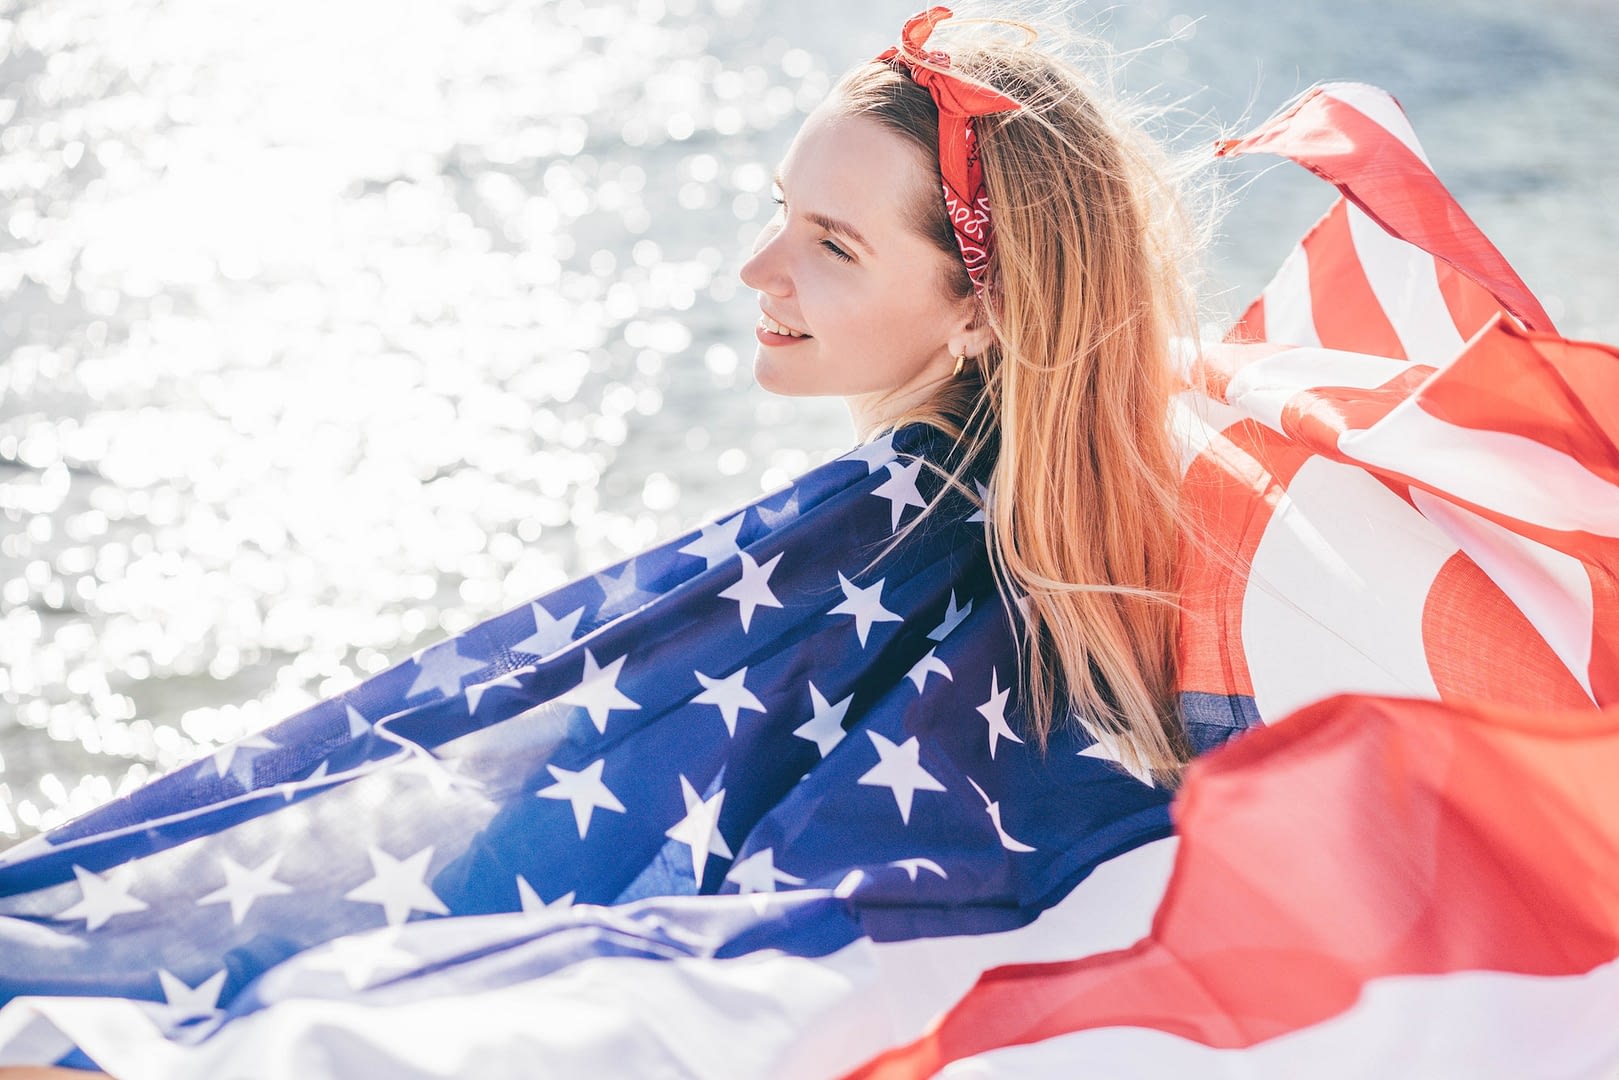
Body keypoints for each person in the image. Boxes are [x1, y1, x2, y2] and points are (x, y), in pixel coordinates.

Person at [4, 6, 1612, 1078]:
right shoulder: (1136, 468)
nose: (756, 266)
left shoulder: (910, 535)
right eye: (783, 207)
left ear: (981, 306)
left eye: (831, 243)